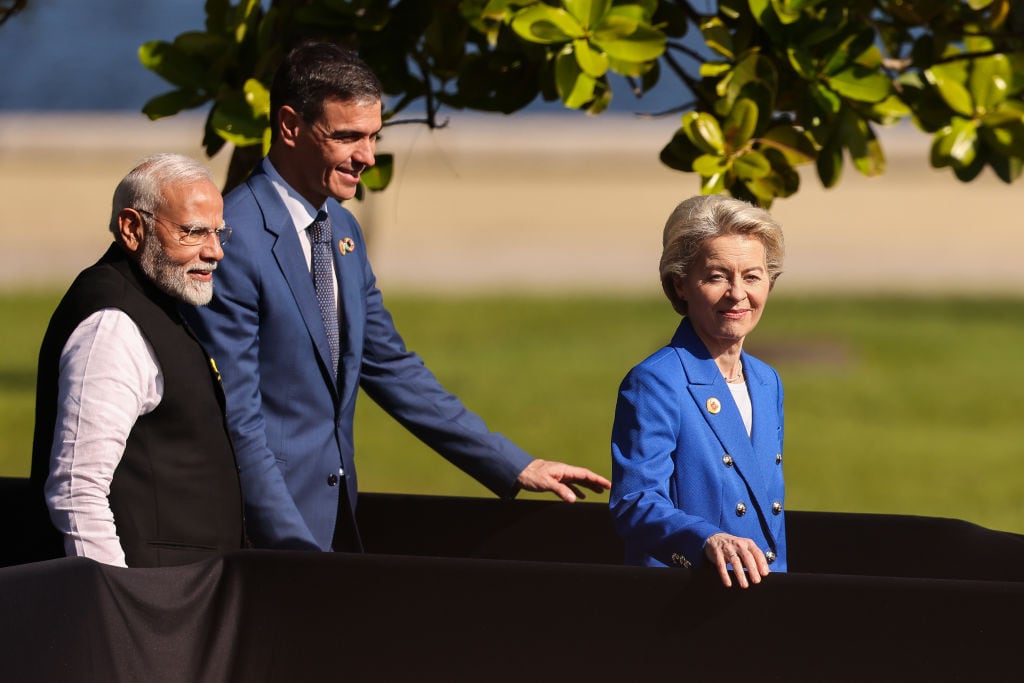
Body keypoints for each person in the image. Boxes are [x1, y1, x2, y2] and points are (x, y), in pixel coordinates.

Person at [184, 41, 610, 553]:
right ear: (291, 127)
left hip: (337, 526)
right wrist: (294, 553)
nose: (367, 156)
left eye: (373, 136)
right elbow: (240, 420)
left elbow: (391, 367)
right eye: (347, 137)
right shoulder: (235, 240)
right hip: (267, 542)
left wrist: (513, 463)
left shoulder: (339, 228)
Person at [30, 153, 244, 568]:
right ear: (132, 228)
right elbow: (77, 489)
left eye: (219, 233)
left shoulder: (156, 300)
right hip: (145, 604)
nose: (215, 251)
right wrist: (115, 604)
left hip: (178, 598)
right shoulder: (111, 326)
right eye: (194, 232)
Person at [609, 194, 787, 588]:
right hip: (686, 599)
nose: (737, 293)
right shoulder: (655, 382)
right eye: (717, 276)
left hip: (762, 593)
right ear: (681, 284)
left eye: (752, 276)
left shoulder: (766, 380)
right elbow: (635, 503)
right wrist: (706, 540)